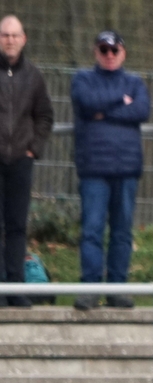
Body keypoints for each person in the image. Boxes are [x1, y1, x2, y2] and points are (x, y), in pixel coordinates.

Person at [70, 31, 151, 311]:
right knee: (91, 230)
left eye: (114, 50)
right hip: (93, 168)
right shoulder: (82, 79)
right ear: (96, 52)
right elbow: (87, 103)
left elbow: (141, 110)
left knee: (122, 232)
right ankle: (90, 290)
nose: (109, 55)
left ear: (123, 53)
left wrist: (103, 112)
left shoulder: (135, 83)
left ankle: (117, 289)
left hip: (126, 168)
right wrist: (121, 101)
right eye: (104, 49)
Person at [0, 15, 53, 308]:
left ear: (24, 39)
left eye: (14, 35)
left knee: (17, 227)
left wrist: (34, 148)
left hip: (21, 161)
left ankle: (15, 287)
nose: (10, 40)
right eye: (5, 35)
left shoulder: (34, 76)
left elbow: (45, 116)